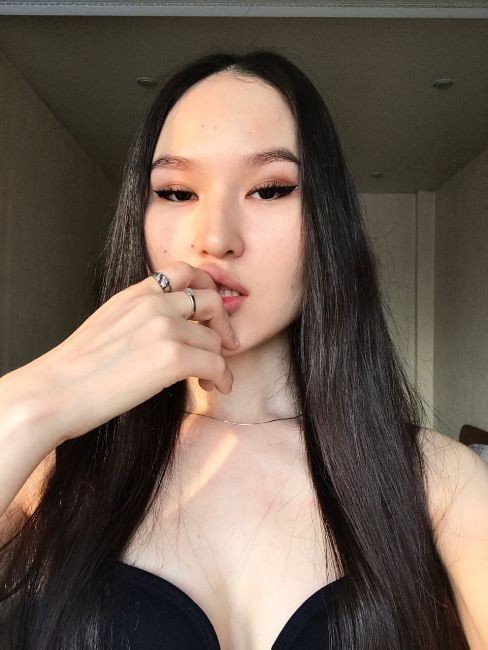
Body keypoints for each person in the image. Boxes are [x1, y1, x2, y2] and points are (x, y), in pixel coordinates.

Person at [0, 49, 486, 650]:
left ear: (328, 221)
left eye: (270, 189)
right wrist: (38, 399)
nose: (216, 238)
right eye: (177, 192)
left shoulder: (440, 483)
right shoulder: (50, 470)